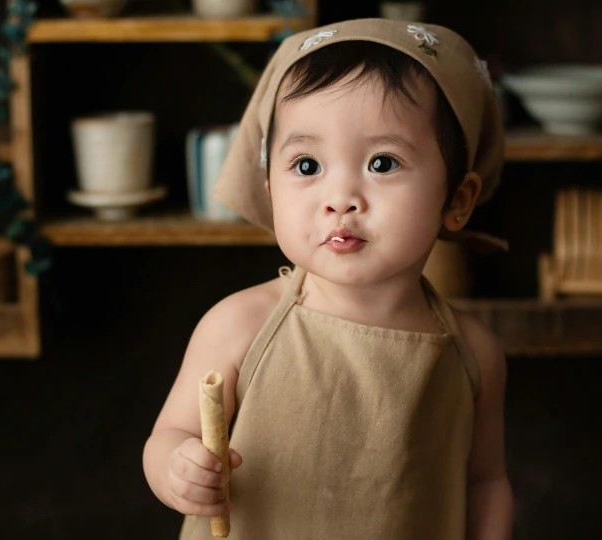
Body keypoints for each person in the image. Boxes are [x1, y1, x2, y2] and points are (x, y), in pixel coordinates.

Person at [143, 18, 513, 540]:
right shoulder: (239, 326)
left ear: (457, 200)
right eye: (307, 164)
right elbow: (169, 435)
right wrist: (177, 469)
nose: (340, 197)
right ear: (269, 186)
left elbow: (484, 483)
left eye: (383, 163)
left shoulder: (473, 355)